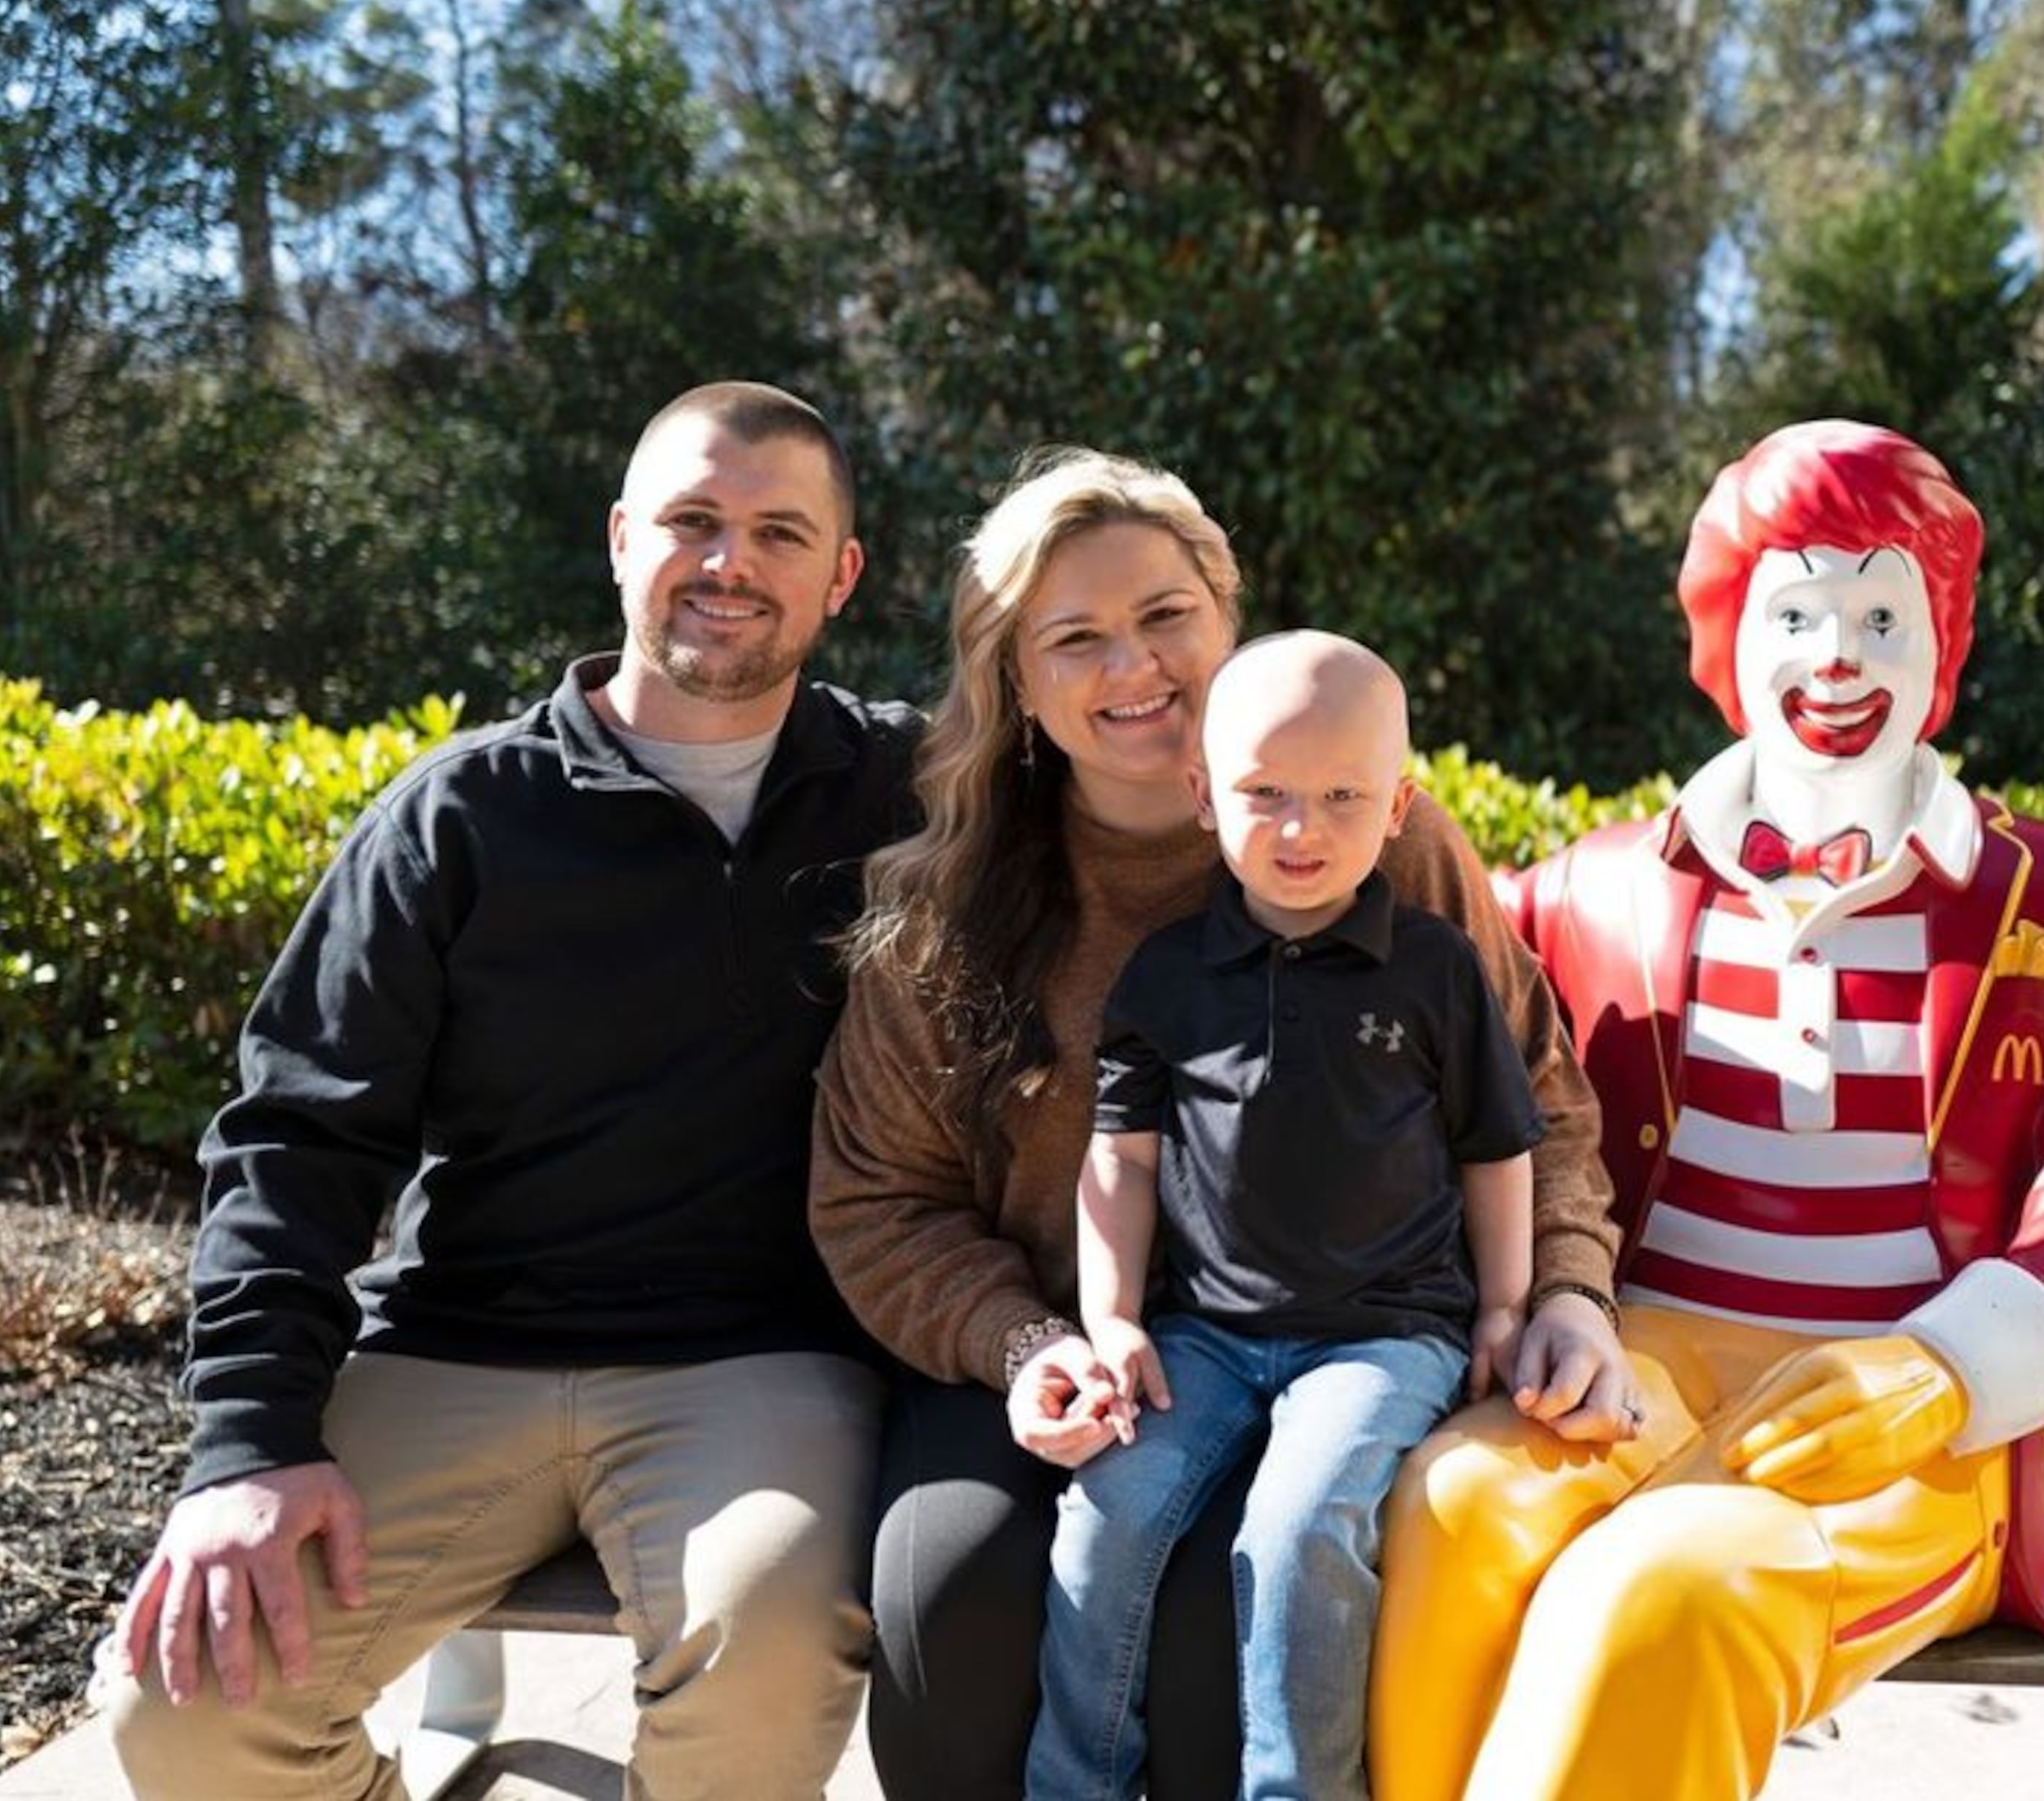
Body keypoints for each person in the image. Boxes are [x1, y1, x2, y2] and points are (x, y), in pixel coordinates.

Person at [1370, 420, 2044, 1800]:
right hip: (1636, 1364)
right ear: (1730, 641)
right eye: (1798, 613)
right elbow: (1438, 1008)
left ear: (1939, 645)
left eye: (1881, 615)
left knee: (1672, 1589)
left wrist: (1952, 1363)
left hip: (1922, 1410)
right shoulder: (1598, 890)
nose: (1837, 658)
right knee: (1458, 1506)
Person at [96, 382, 921, 1800]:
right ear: (619, 540)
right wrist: (247, 1445)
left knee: (770, 1645)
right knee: (184, 1706)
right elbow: (295, 1135)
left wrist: (1381, 839)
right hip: (454, 1347)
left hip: (755, 1364)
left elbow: (1182, 793)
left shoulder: (913, 792)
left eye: (780, 531)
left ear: (840, 573)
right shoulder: (460, 817)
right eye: (692, 520)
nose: (730, 562)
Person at [805, 448, 1634, 1801]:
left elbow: (1532, 1103)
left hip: (1359, 1336)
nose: (1133, 664)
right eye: (1076, 637)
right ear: (1016, 679)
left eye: (1165, 616)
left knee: (1226, 1626)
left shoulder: (1384, 849)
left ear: (1225, 619)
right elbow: (874, 1200)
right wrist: (1028, 1344)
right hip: (1073, 1357)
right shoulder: (945, 909)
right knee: (948, 1601)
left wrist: (1570, 1294)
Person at [1028, 628, 1539, 1800]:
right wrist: (1111, 1321)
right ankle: (1073, 1786)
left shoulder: (1436, 970)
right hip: (1202, 1335)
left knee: (1300, 1532)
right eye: (1266, 795)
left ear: (1400, 804)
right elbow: (1122, 1161)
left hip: (1382, 1336)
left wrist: (1509, 1304)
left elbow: (1498, 1149)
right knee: (1106, 1515)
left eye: (1341, 797)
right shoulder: (1165, 974)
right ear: (1206, 795)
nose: (1301, 830)